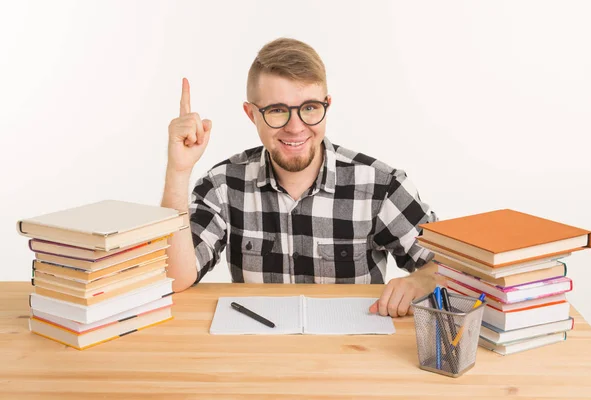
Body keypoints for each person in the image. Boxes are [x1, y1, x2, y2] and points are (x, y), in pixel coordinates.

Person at [161, 37, 438, 318]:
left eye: (309, 108)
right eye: (277, 111)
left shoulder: (381, 186)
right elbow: (176, 278)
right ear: (251, 114)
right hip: (257, 352)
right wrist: (178, 171)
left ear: (326, 105)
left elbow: (456, 268)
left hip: (352, 354)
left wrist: (420, 280)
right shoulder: (221, 186)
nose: (296, 128)